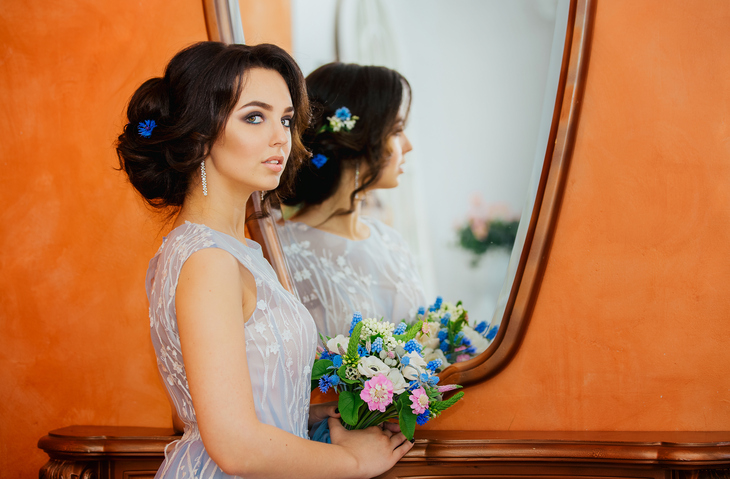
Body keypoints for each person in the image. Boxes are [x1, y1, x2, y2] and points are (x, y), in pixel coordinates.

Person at [116, 42, 412, 479]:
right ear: (201, 134)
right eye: (255, 117)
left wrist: (324, 412)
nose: (282, 137)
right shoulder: (207, 259)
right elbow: (234, 446)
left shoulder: (235, 250)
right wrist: (352, 461)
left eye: (286, 119)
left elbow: (245, 404)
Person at [277, 62, 427, 338]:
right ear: (359, 139)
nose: (408, 145)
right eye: (395, 131)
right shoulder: (282, 251)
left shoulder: (390, 241)